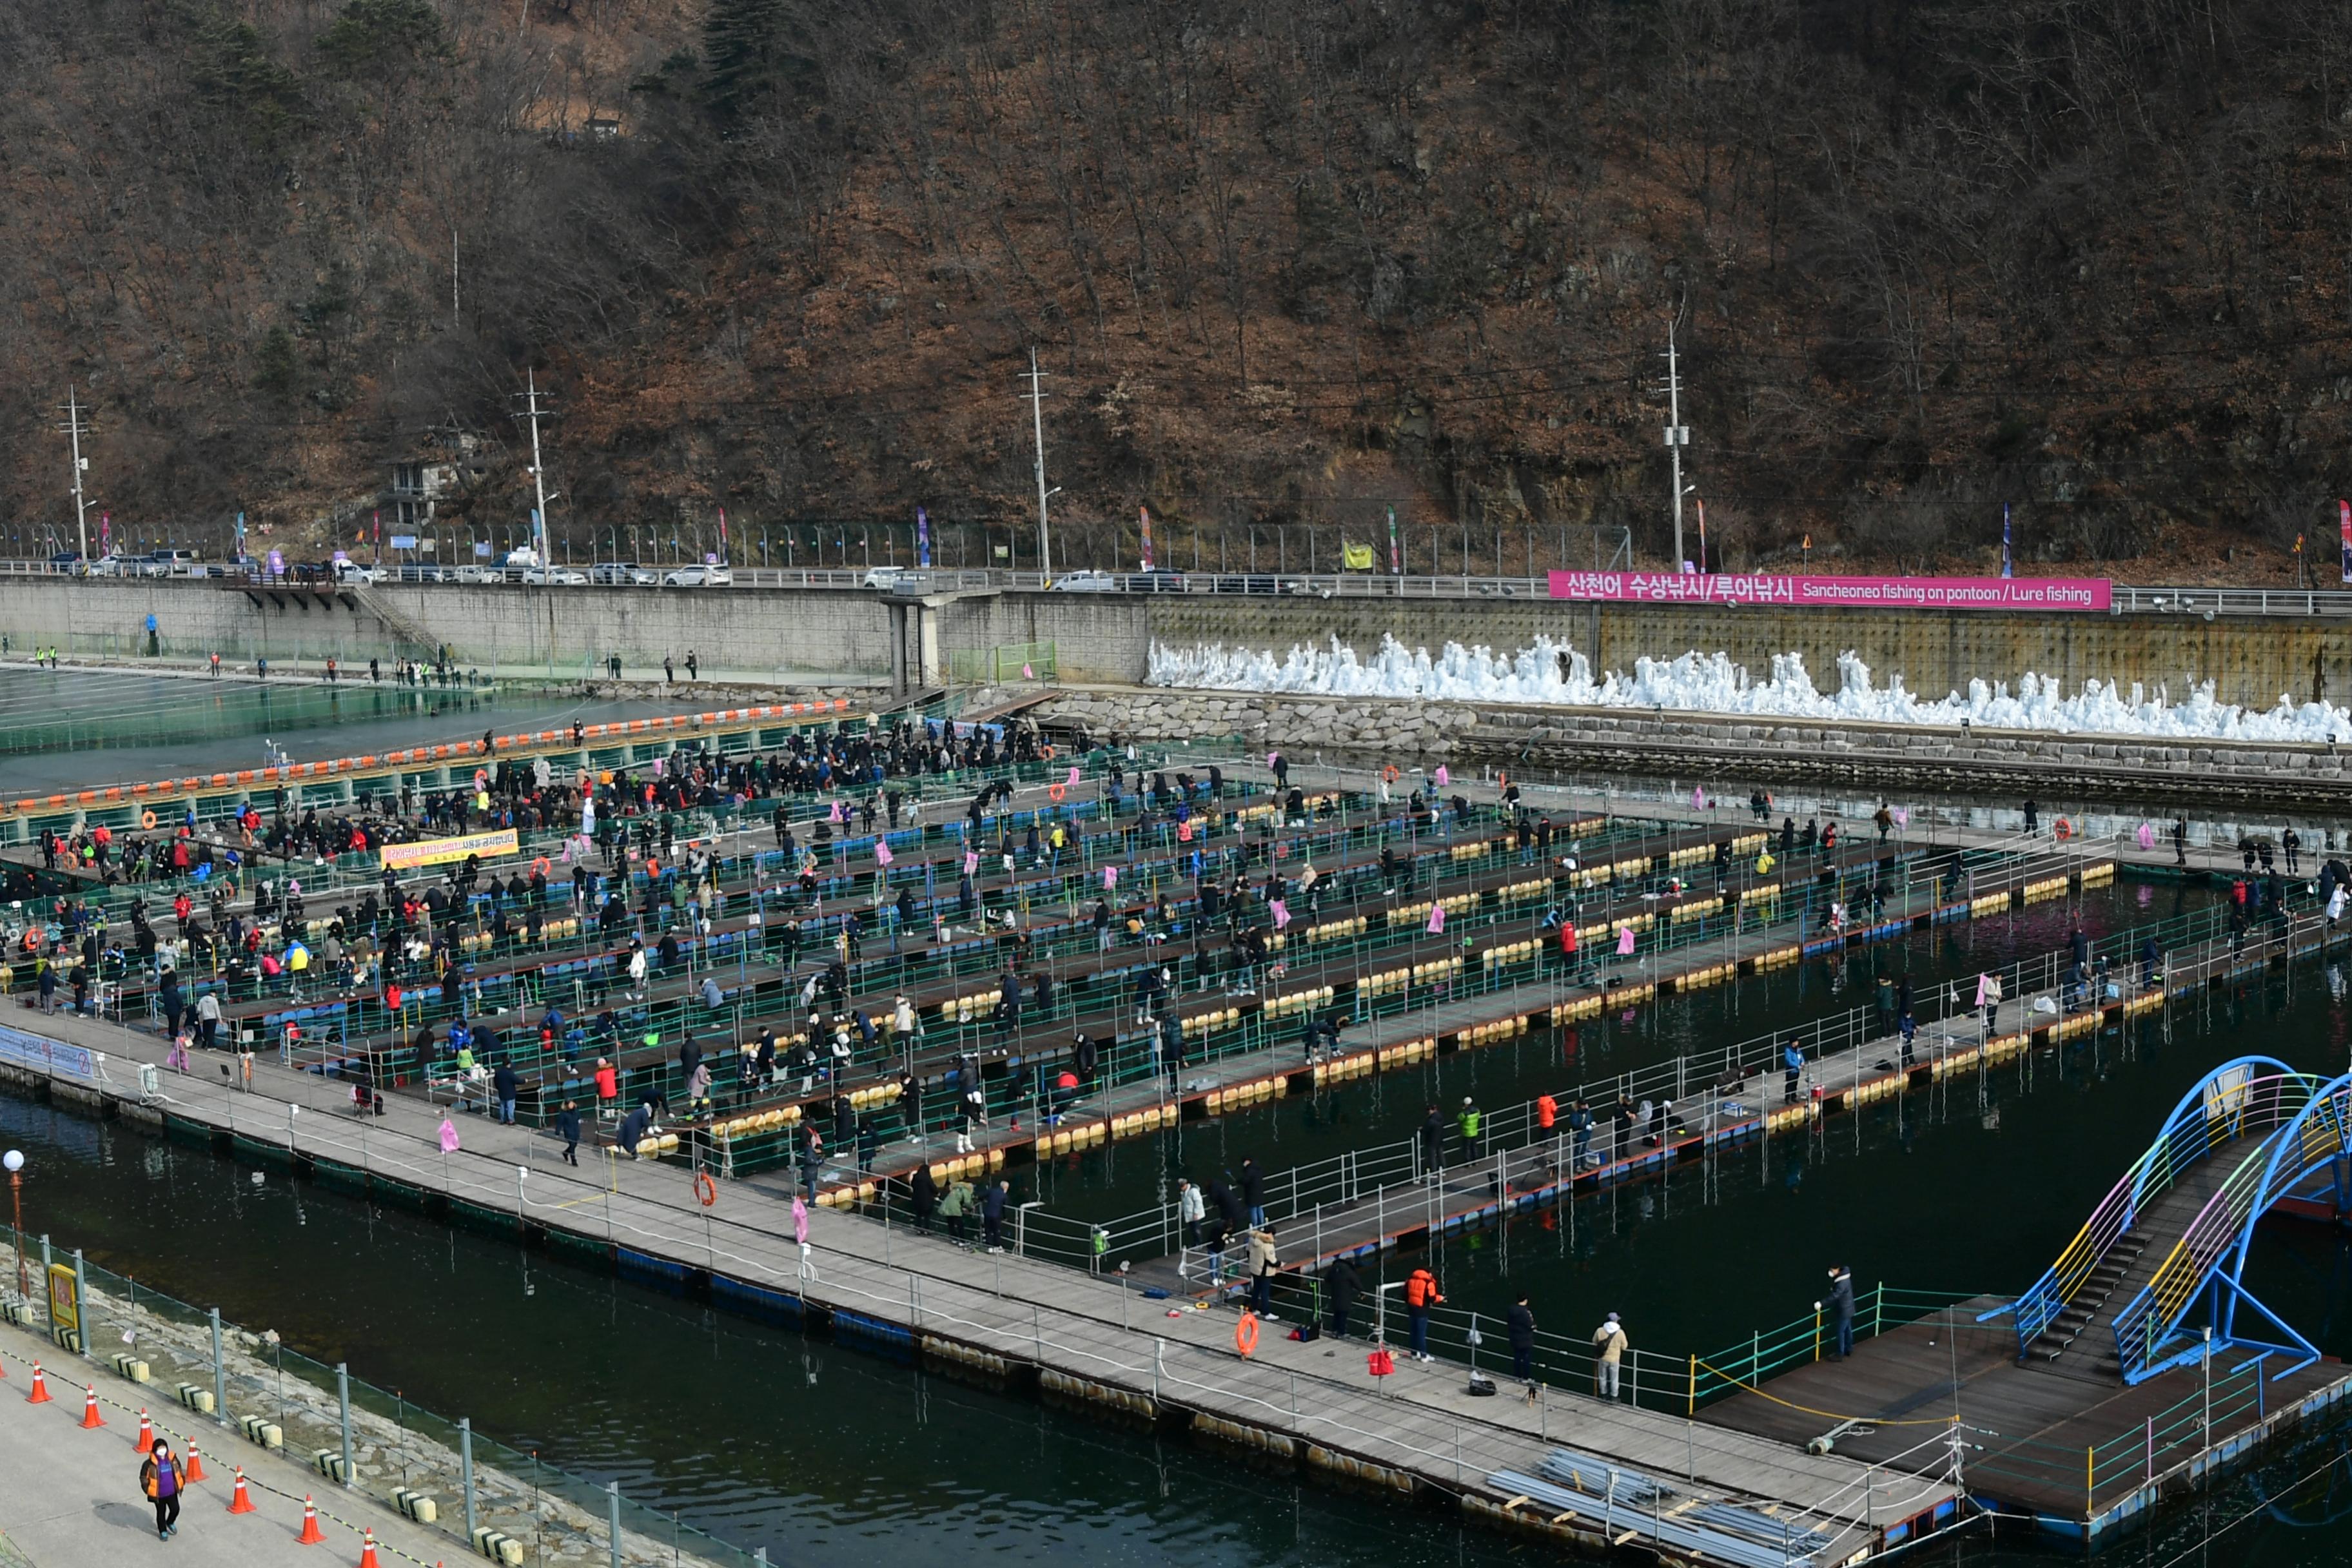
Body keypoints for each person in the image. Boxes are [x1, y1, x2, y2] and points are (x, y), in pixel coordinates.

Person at [141, 1436, 184, 1539]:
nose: (162, 1450)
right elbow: (144, 1478)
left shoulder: (172, 1459)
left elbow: (179, 1469)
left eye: (164, 1447)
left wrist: (182, 1481)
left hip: (172, 1492)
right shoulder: (149, 1464)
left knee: (176, 1509)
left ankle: (170, 1522)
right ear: (155, 1450)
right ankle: (163, 1531)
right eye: (160, 1448)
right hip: (159, 1494)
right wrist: (148, 1489)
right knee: (161, 1513)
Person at [1405, 1265, 1442, 1362]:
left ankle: (1413, 1354)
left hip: (1411, 1308)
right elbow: (1432, 1298)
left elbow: (1404, 1294)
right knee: (1421, 1334)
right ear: (1429, 1274)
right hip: (1422, 1311)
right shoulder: (1428, 1282)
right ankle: (1424, 1356)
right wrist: (1441, 1298)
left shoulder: (1410, 1279)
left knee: (1413, 1333)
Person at [1821, 1264, 1856, 1360]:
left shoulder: (1841, 1283)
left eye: (1832, 1270)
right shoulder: (1846, 1278)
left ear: (1837, 1269)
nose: (1831, 1271)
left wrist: (1821, 1303)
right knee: (1848, 1330)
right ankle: (1849, 1349)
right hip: (1849, 1309)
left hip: (1844, 1311)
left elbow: (1835, 1296)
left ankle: (1840, 1354)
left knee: (1840, 1332)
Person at [1591, 1312, 1627, 1400]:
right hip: (1615, 1359)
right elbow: (1625, 1347)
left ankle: (1604, 1394)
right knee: (1614, 1379)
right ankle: (1614, 1396)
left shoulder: (1600, 1330)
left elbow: (1594, 1341)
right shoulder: (1620, 1332)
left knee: (1602, 1377)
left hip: (1603, 1358)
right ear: (1616, 1321)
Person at [1246, 1223, 1279, 1317]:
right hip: (1265, 1272)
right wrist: (1280, 1264)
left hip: (1254, 1269)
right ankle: (1266, 1313)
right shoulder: (1267, 1244)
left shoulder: (1252, 1240)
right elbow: (1272, 1260)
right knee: (1265, 1292)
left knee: (1256, 1290)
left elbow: (1248, 1252)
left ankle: (1254, 1309)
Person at [1325, 1253, 1360, 1340]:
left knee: (1336, 1314)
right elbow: (1357, 1284)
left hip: (1335, 1295)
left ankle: (1334, 1331)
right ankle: (1341, 1333)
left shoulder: (1334, 1268)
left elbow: (1327, 1279)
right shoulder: (1349, 1272)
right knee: (1343, 1316)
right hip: (1345, 1297)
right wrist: (1362, 1291)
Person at [1507, 1293, 1537, 1384]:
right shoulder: (1525, 1312)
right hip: (1525, 1340)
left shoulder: (1511, 1309)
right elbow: (1530, 1325)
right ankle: (1526, 1378)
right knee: (1526, 1359)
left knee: (1517, 1358)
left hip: (1515, 1338)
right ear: (1526, 1300)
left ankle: (1517, 1376)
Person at [940, 1175, 976, 1242]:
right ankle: (962, 1241)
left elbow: (955, 1199)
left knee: (951, 1224)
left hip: (946, 1206)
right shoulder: (966, 1191)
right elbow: (967, 1203)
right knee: (960, 1225)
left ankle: (954, 1239)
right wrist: (971, 1208)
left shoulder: (955, 1189)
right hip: (955, 1208)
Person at [981, 1177, 1010, 1252]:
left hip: (987, 1213)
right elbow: (1005, 1208)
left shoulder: (992, 1191)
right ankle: (997, 1246)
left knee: (988, 1230)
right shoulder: (1004, 1196)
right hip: (996, 1215)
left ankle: (989, 1247)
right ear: (1006, 1188)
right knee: (996, 1231)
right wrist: (1005, 1217)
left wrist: (981, 1199)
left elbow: (982, 1196)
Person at [910, 1162, 939, 1231]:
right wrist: (937, 1193)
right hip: (927, 1200)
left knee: (918, 1215)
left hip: (917, 1200)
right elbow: (933, 1187)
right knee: (927, 1216)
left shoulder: (915, 1177)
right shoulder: (927, 1178)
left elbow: (912, 1185)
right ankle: (927, 1229)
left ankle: (918, 1229)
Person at [1177, 1178, 1206, 1246]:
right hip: (1189, 1215)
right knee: (1193, 1230)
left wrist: (1196, 1213)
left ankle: (1199, 1244)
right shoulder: (1184, 1193)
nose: (1181, 1188)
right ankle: (1196, 1243)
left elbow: (1198, 1202)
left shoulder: (1193, 1191)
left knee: (1197, 1230)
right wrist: (1179, 1213)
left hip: (1195, 1215)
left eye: (1182, 1186)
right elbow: (1183, 1204)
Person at [1240, 1157, 1266, 1227]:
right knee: (1260, 1208)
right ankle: (1262, 1226)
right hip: (1259, 1192)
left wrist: (1239, 1181)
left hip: (1251, 1194)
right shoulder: (1258, 1168)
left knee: (1253, 1210)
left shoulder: (1249, 1170)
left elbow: (1245, 1180)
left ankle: (1255, 1227)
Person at [555, 1101, 582, 1166]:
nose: (571, 1105)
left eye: (572, 1103)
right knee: (572, 1145)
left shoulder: (576, 1111)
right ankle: (574, 1160)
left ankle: (566, 1153)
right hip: (569, 1131)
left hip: (576, 1130)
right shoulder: (563, 1114)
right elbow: (559, 1123)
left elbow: (579, 1117)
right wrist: (557, 1132)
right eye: (570, 1104)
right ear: (567, 1105)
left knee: (575, 1144)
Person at [493, 1059, 519, 1125]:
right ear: (509, 1064)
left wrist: (498, 1088)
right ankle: (511, 1120)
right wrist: (524, 1081)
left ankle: (502, 1120)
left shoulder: (498, 1072)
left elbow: (496, 1082)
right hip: (510, 1093)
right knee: (510, 1107)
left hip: (502, 1092)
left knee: (502, 1106)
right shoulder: (510, 1073)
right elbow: (517, 1080)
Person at [1782, 1038, 1805, 1104]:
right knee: (1790, 1085)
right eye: (1796, 1042)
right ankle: (1787, 1098)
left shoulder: (1797, 1049)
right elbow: (1789, 1061)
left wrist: (1802, 1062)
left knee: (1795, 1084)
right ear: (1793, 1043)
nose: (1798, 1043)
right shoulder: (1788, 1050)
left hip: (1797, 1070)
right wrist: (1796, 1066)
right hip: (1791, 1070)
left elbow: (1801, 1056)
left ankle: (1793, 1097)